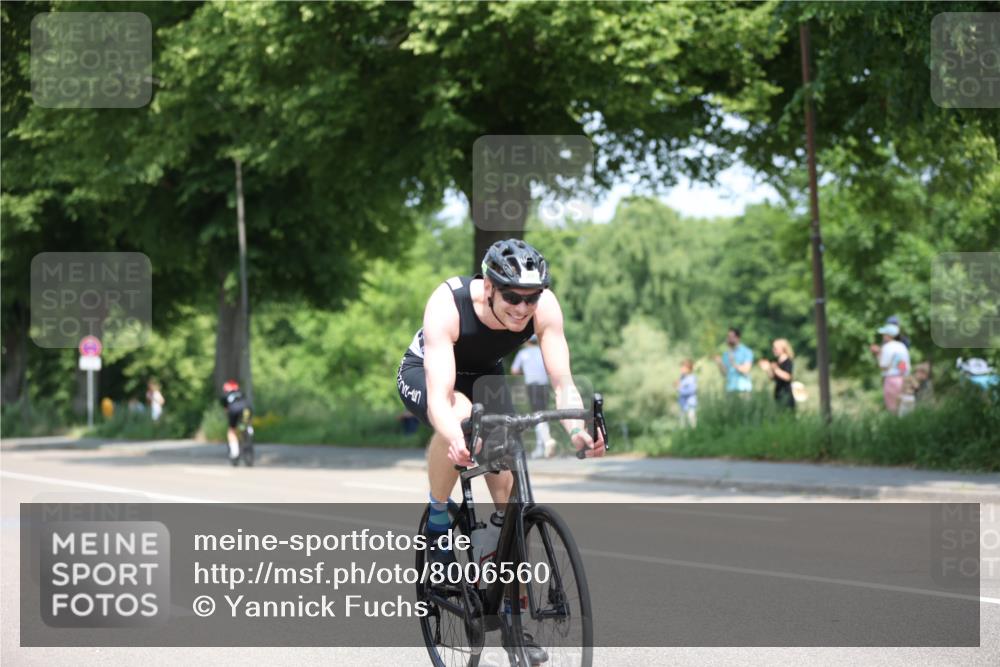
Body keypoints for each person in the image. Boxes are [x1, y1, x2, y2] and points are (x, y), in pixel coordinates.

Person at [396, 239, 605, 564]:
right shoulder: (449, 303)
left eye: (531, 298)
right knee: (461, 415)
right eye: (511, 297)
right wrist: (455, 437)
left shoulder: (545, 307)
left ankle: (500, 561)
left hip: (486, 377)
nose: (522, 308)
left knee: (507, 469)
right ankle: (438, 522)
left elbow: (563, 383)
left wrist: (577, 431)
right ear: (489, 286)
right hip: (426, 373)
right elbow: (439, 398)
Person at [511, 334, 557, 458]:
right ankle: (541, 447)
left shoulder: (523, 353)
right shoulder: (543, 352)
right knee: (543, 414)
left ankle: (546, 441)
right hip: (544, 386)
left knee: (537, 415)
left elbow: (514, 370)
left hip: (532, 386)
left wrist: (525, 371)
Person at [869, 323, 910, 414]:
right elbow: (904, 365)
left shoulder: (887, 347)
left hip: (892, 380)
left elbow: (883, 366)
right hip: (904, 379)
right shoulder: (902, 346)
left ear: (889, 336)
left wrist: (877, 354)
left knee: (892, 410)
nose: (883, 336)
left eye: (884, 334)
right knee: (903, 409)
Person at [758, 338, 795, 411]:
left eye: (775, 348)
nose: (773, 350)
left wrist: (775, 369)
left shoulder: (788, 361)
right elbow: (773, 378)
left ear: (783, 349)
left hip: (786, 394)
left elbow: (787, 377)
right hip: (778, 393)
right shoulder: (777, 362)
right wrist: (768, 369)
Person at [220, 379, 251, 465]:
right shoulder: (241, 393)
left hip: (233, 410)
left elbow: (226, 409)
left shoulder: (225, 395)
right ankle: (247, 434)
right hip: (246, 409)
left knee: (231, 431)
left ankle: (235, 453)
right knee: (245, 425)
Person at [714, 327, 753, 395]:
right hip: (730, 389)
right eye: (728, 336)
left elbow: (746, 370)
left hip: (743, 389)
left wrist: (733, 363)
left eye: (731, 337)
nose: (729, 339)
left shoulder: (746, 351)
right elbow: (725, 374)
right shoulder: (726, 354)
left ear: (738, 338)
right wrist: (720, 363)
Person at [676, 359, 697, 427]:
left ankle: (694, 435)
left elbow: (692, 390)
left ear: (689, 369)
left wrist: (680, 389)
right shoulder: (682, 378)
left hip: (690, 403)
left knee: (691, 421)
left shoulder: (691, 378)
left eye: (683, 368)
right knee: (682, 423)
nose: (681, 369)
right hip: (683, 404)